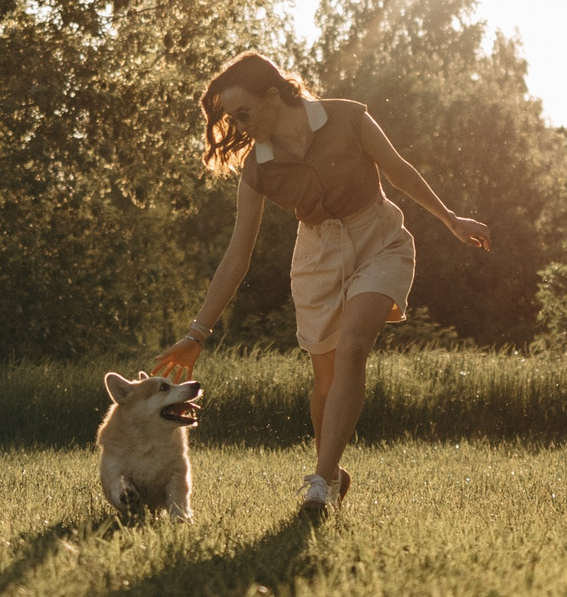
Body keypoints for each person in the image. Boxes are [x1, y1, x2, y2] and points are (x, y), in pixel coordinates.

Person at [152, 51, 489, 515]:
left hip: (379, 240)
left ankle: (319, 484)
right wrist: (197, 334)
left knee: (352, 347)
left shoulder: (348, 117)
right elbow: (236, 256)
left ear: (273, 96)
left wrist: (450, 220)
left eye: (244, 113)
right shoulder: (259, 168)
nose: (240, 126)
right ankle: (331, 471)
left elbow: (398, 170)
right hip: (316, 258)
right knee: (325, 384)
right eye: (233, 119)